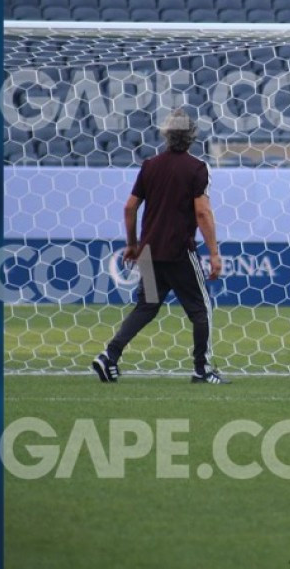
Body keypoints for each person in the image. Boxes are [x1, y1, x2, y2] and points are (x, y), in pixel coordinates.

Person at [92, 109, 228, 384]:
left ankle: (109, 356)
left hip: (149, 252)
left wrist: (132, 244)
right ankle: (202, 370)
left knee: (147, 306)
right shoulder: (197, 168)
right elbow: (202, 213)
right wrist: (214, 253)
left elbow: (130, 207)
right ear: (191, 136)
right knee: (201, 310)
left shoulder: (150, 165)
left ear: (166, 135)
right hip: (179, 253)